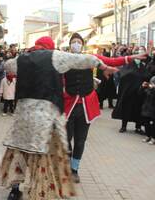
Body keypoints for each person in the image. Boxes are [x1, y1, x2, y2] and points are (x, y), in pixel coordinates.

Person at [0, 36, 118, 200]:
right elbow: (83, 59)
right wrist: (103, 66)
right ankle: (41, 192)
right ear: (50, 47)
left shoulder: (22, 59)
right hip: (46, 116)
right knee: (46, 155)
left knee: (19, 152)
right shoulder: (55, 56)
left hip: (24, 116)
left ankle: (15, 189)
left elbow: (7, 65)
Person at [63, 33, 146, 183]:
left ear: (82, 45)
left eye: (78, 42)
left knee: (80, 140)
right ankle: (67, 166)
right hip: (68, 106)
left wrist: (131, 57)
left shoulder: (91, 58)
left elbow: (112, 61)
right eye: (73, 42)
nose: (76, 44)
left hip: (86, 108)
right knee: (66, 139)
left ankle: (74, 170)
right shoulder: (64, 59)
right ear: (70, 45)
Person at [112, 47, 149, 133]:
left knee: (138, 110)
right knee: (126, 109)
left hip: (139, 93)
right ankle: (123, 126)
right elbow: (124, 75)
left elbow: (146, 76)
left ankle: (138, 127)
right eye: (139, 52)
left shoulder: (143, 66)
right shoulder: (129, 64)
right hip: (129, 93)